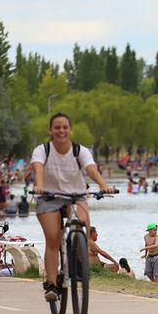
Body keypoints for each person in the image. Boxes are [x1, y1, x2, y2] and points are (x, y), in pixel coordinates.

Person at [31, 112, 115, 301]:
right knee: (53, 238)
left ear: (70, 129)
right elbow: (38, 167)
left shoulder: (80, 151)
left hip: (76, 196)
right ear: (50, 130)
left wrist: (103, 185)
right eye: (57, 127)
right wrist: (39, 185)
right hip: (49, 197)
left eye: (65, 127)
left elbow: (91, 169)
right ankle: (51, 285)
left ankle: (77, 263)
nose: (61, 131)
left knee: (82, 223)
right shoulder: (42, 150)